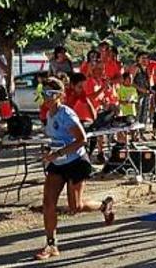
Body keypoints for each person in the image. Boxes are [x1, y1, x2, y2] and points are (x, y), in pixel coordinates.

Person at [34, 77, 114, 260]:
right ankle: (51, 244)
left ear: (59, 96)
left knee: (75, 207)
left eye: (48, 94)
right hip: (58, 163)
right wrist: (49, 151)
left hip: (76, 162)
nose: (45, 98)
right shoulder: (49, 114)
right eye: (42, 93)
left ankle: (103, 205)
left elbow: (82, 139)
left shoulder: (66, 114)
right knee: (48, 204)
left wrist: (58, 152)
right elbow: (55, 139)